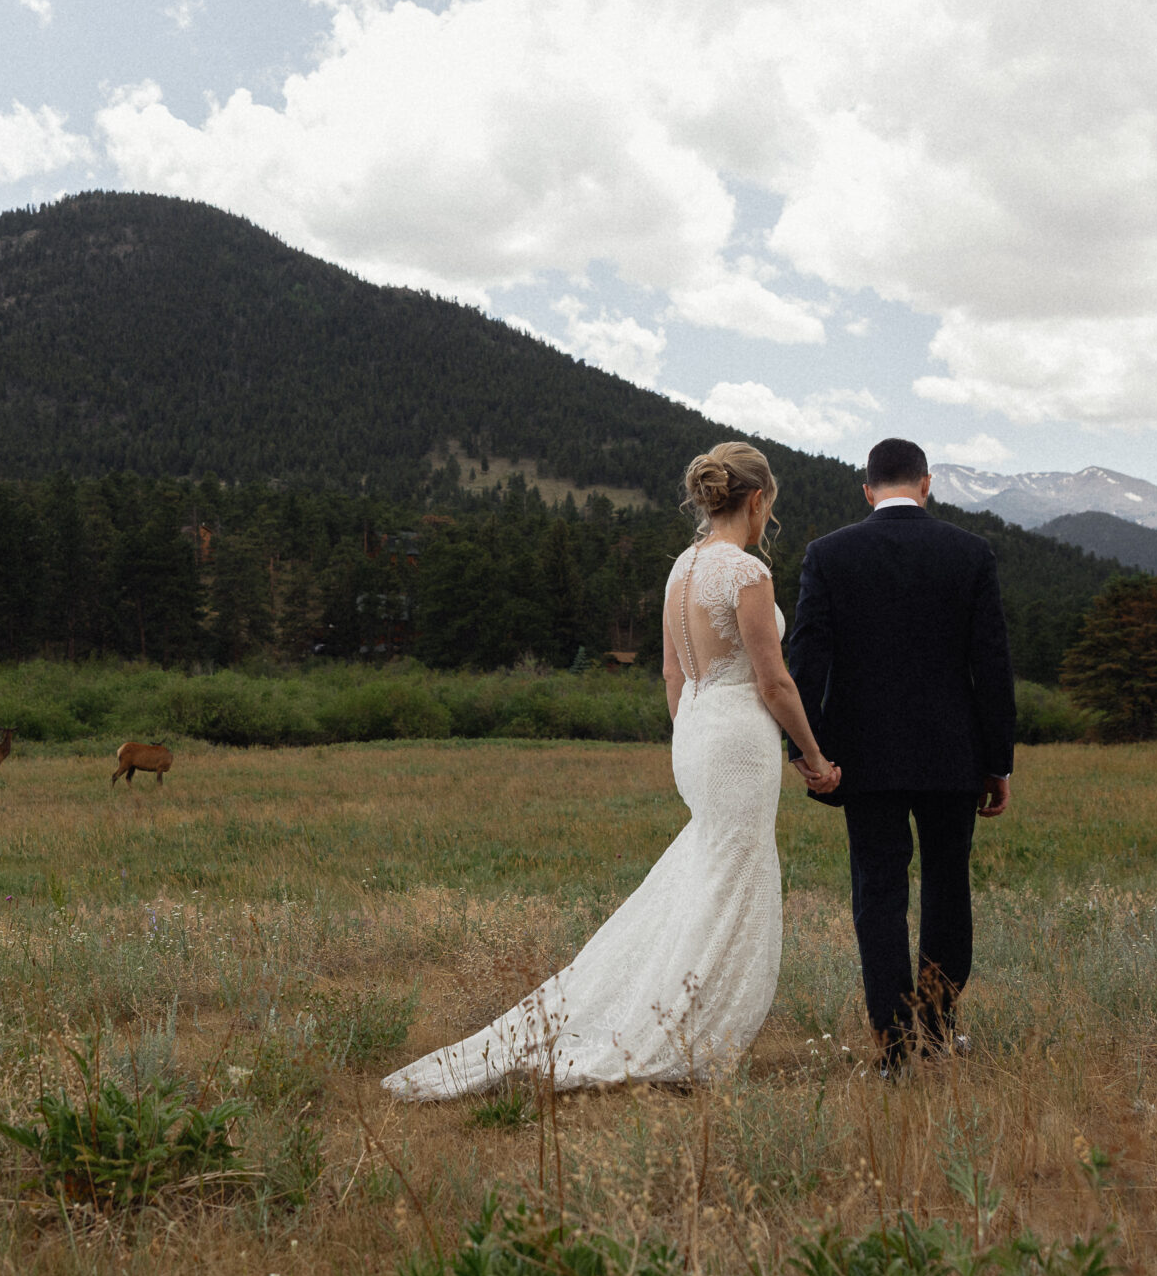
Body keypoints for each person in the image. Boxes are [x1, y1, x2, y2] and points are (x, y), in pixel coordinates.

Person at [383, 442, 841, 1100]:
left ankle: (680, 1021)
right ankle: (680, 1034)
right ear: (758, 500)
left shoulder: (681, 570)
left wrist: (689, 734)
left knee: (704, 878)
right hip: (737, 739)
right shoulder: (746, 575)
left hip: (696, 733)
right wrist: (815, 758)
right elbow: (775, 683)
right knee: (728, 886)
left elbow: (671, 672)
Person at [785, 437, 1015, 1069]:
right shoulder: (971, 553)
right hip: (953, 757)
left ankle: (892, 1045)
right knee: (947, 888)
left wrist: (804, 748)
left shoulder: (828, 554)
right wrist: (997, 761)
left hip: (864, 758)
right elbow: (991, 665)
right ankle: (938, 1034)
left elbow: (806, 657)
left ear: (867, 490)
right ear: (926, 483)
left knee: (878, 895)